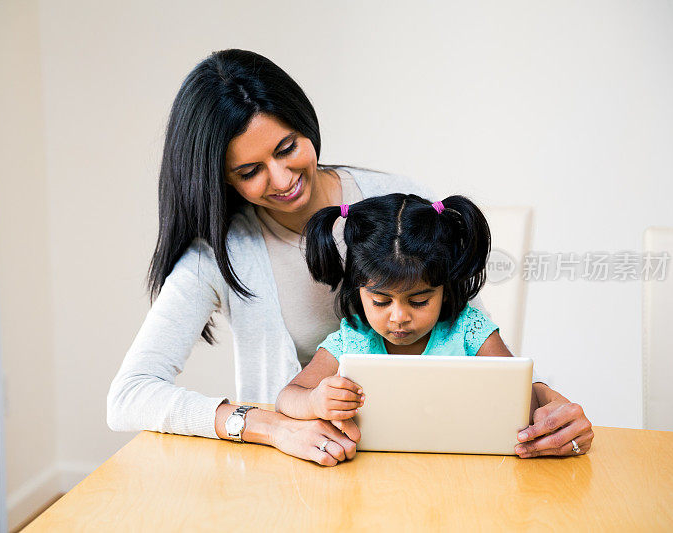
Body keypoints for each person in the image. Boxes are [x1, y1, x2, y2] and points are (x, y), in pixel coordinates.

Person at [106, 48, 593, 466]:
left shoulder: (398, 207)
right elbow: (129, 396)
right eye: (251, 170)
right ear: (222, 180)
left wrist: (550, 406)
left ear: (305, 123)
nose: (281, 179)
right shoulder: (219, 253)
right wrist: (272, 428)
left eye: (288, 147)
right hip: (310, 473)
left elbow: (471, 343)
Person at [277, 194, 526, 440]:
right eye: (381, 301)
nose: (399, 317)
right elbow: (287, 397)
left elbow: (521, 399)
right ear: (358, 290)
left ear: (446, 291)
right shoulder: (351, 341)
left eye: (419, 301)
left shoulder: (469, 330)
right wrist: (314, 401)